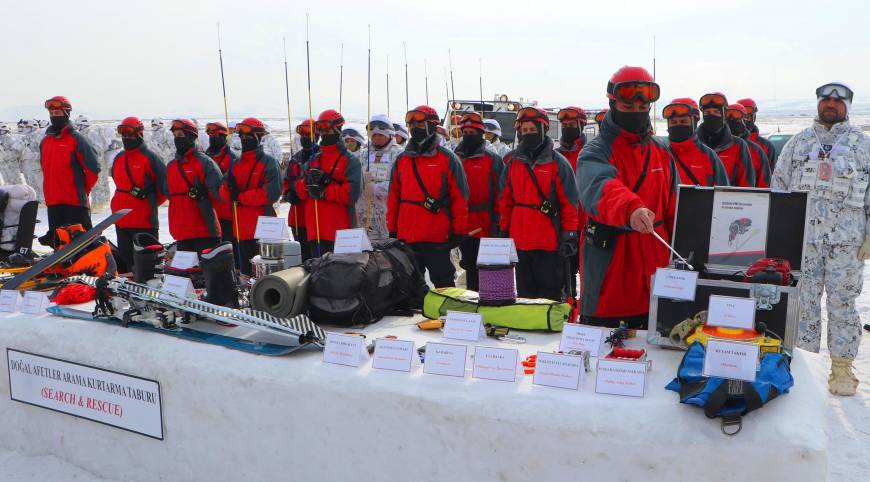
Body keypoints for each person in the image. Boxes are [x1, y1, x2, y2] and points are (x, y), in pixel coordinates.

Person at [771, 81, 869, 396]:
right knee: (803, 306)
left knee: (843, 305)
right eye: (826, 98)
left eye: (838, 100)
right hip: (804, 244)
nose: (831, 103)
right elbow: (779, 189)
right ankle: (806, 365)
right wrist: (780, 234)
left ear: (848, 107)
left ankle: (841, 368)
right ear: (818, 103)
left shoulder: (862, 146)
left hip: (847, 246)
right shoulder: (798, 144)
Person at [576, 66, 678, 329]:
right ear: (612, 103)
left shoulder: (661, 152)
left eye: (642, 107)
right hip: (611, 269)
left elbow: (676, 209)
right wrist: (631, 208)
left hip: (656, 270)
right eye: (627, 105)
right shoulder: (595, 151)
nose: (636, 112)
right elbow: (600, 186)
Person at [499, 107, 579, 301]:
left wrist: (569, 235)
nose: (528, 134)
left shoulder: (557, 163)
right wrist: (503, 230)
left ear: (543, 130)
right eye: (524, 131)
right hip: (520, 242)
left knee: (550, 295)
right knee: (525, 295)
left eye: (532, 130)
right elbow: (505, 200)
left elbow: (569, 204)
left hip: (549, 243)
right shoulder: (512, 163)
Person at [387, 105, 469, 287]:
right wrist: (392, 229)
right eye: (411, 124)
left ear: (432, 126)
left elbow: (460, 198)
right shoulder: (402, 160)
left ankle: (447, 315)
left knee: (444, 283)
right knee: (411, 284)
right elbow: (393, 197)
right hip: (407, 234)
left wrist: (459, 230)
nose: (414, 127)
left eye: (420, 123)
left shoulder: (448, 159)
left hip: (437, 235)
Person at [294, 109, 362, 257]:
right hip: (315, 230)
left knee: (342, 276)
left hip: (341, 231)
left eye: (327, 129)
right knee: (318, 276)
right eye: (320, 129)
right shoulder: (314, 160)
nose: (324, 133)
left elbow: (352, 194)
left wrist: (325, 190)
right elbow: (299, 191)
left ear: (338, 129)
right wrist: (307, 183)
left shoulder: (350, 160)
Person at [219, 117, 282, 276]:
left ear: (258, 137)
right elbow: (223, 194)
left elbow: (271, 193)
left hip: (264, 230)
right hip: (240, 231)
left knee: (267, 276)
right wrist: (228, 188)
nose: (244, 139)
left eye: (248, 136)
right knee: (245, 275)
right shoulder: (236, 164)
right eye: (242, 137)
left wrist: (240, 197)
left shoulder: (269, 162)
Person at [109, 117, 168, 271]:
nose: (126, 138)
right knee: (127, 263)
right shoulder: (119, 158)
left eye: (129, 133)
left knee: (148, 265)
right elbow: (118, 182)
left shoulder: (150, 158)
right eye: (123, 133)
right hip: (121, 221)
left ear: (139, 134)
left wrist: (147, 205)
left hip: (144, 223)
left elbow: (164, 189)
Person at [453, 112, 504, 291]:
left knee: (489, 269)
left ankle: (492, 303)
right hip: (462, 223)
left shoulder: (493, 159)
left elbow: (500, 193)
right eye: (465, 131)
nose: (468, 135)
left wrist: (499, 223)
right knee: (468, 266)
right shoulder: (454, 158)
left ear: (481, 133)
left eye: (472, 132)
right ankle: (473, 305)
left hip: (486, 224)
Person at [39, 96, 100, 235]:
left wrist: (83, 190)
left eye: (58, 113)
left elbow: (93, 169)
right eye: (52, 114)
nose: (54, 117)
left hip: (74, 203)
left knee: (82, 247)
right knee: (59, 246)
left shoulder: (76, 139)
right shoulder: (45, 141)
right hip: (53, 202)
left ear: (66, 114)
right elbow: (46, 169)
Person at [165, 119, 224, 253]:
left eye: (180, 135)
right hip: (181, 232)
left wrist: (202, 196)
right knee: (185, 273)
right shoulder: (171, 166)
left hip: (204, 232)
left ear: (191, 137)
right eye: (175, 136)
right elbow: (167, 193)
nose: (176, 139)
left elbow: (220, 196)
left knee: (208, 273)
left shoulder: (205, 163)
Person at [663, 98, 728, 186]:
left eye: (683, 121)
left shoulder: (709, 157)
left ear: (694, 122)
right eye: (673, 122)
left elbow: (723, 194)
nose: (678, 125)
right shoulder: (661, 155)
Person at [696, 92, 756, 187]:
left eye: (716, 112)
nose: (712, 116)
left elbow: (747, 185)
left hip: (730, 201)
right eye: (707, 113)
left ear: (724, 115)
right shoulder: (694, 145)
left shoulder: (739, 146)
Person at [357, 114, 402, 240]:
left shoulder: (399, 154)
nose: (376, 138)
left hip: (388, 215)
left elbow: (402, 183)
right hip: (364, 215)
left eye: (380, 135)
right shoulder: (363, 154)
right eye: (373, 135)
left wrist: (378, 188)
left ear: (389, 135)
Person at [283, 119, 318, 260]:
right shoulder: (295, 158)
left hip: (315, 216)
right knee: (301, 256)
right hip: (296, 215)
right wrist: (287, 193)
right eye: (302, 135)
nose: (305, 138)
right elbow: (286, 181)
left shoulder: (321, 157)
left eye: (308, 134)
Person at [76, 114, 120, 211]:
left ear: (83, 124)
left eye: (78, 125)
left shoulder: (91, 133)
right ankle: (103, 202)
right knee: (100, 183)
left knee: (99, 183)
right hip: (93, 162)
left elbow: (98, 148)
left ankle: (99, 204)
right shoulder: (83, 134)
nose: (77, 127)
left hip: (97, 162)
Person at [204, 121, 239, 244]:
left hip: (227, 214)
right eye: (210, 136)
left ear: (224, 137)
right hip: (207, 212)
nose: (212, 138)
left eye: (216, 136)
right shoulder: (205, 158)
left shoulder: (232, 159)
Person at [726, 103, 771, 187]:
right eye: (728, 119)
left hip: (747, 198)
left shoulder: (757, 151)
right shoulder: (712, 148)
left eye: (737, 119)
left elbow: (764, 185)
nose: (732, 122)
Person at [737, 98, 777, 167]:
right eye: (742, 117)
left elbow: (774, 175)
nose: (745, 120)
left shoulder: (766, 147)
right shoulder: (724, 144)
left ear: (754, 117)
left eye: (748, 117)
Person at [15, 119, 45, 202]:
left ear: (34, 127)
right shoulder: (24, 138)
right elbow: (18, 151)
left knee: (41, 186)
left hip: (37, 168)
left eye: (28, 127)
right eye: (25, 127)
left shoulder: (40, 138)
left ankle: (44, 202)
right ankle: (35, 202)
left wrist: (33, 155)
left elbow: (45, 153)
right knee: (31, 186)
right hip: (27, 168)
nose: (25, 128)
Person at [555, 106, 588, 172]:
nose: (567, 128)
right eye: (564, 125)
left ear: (581, 127)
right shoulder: (555, 155)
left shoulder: (589, 155)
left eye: (571, 125)